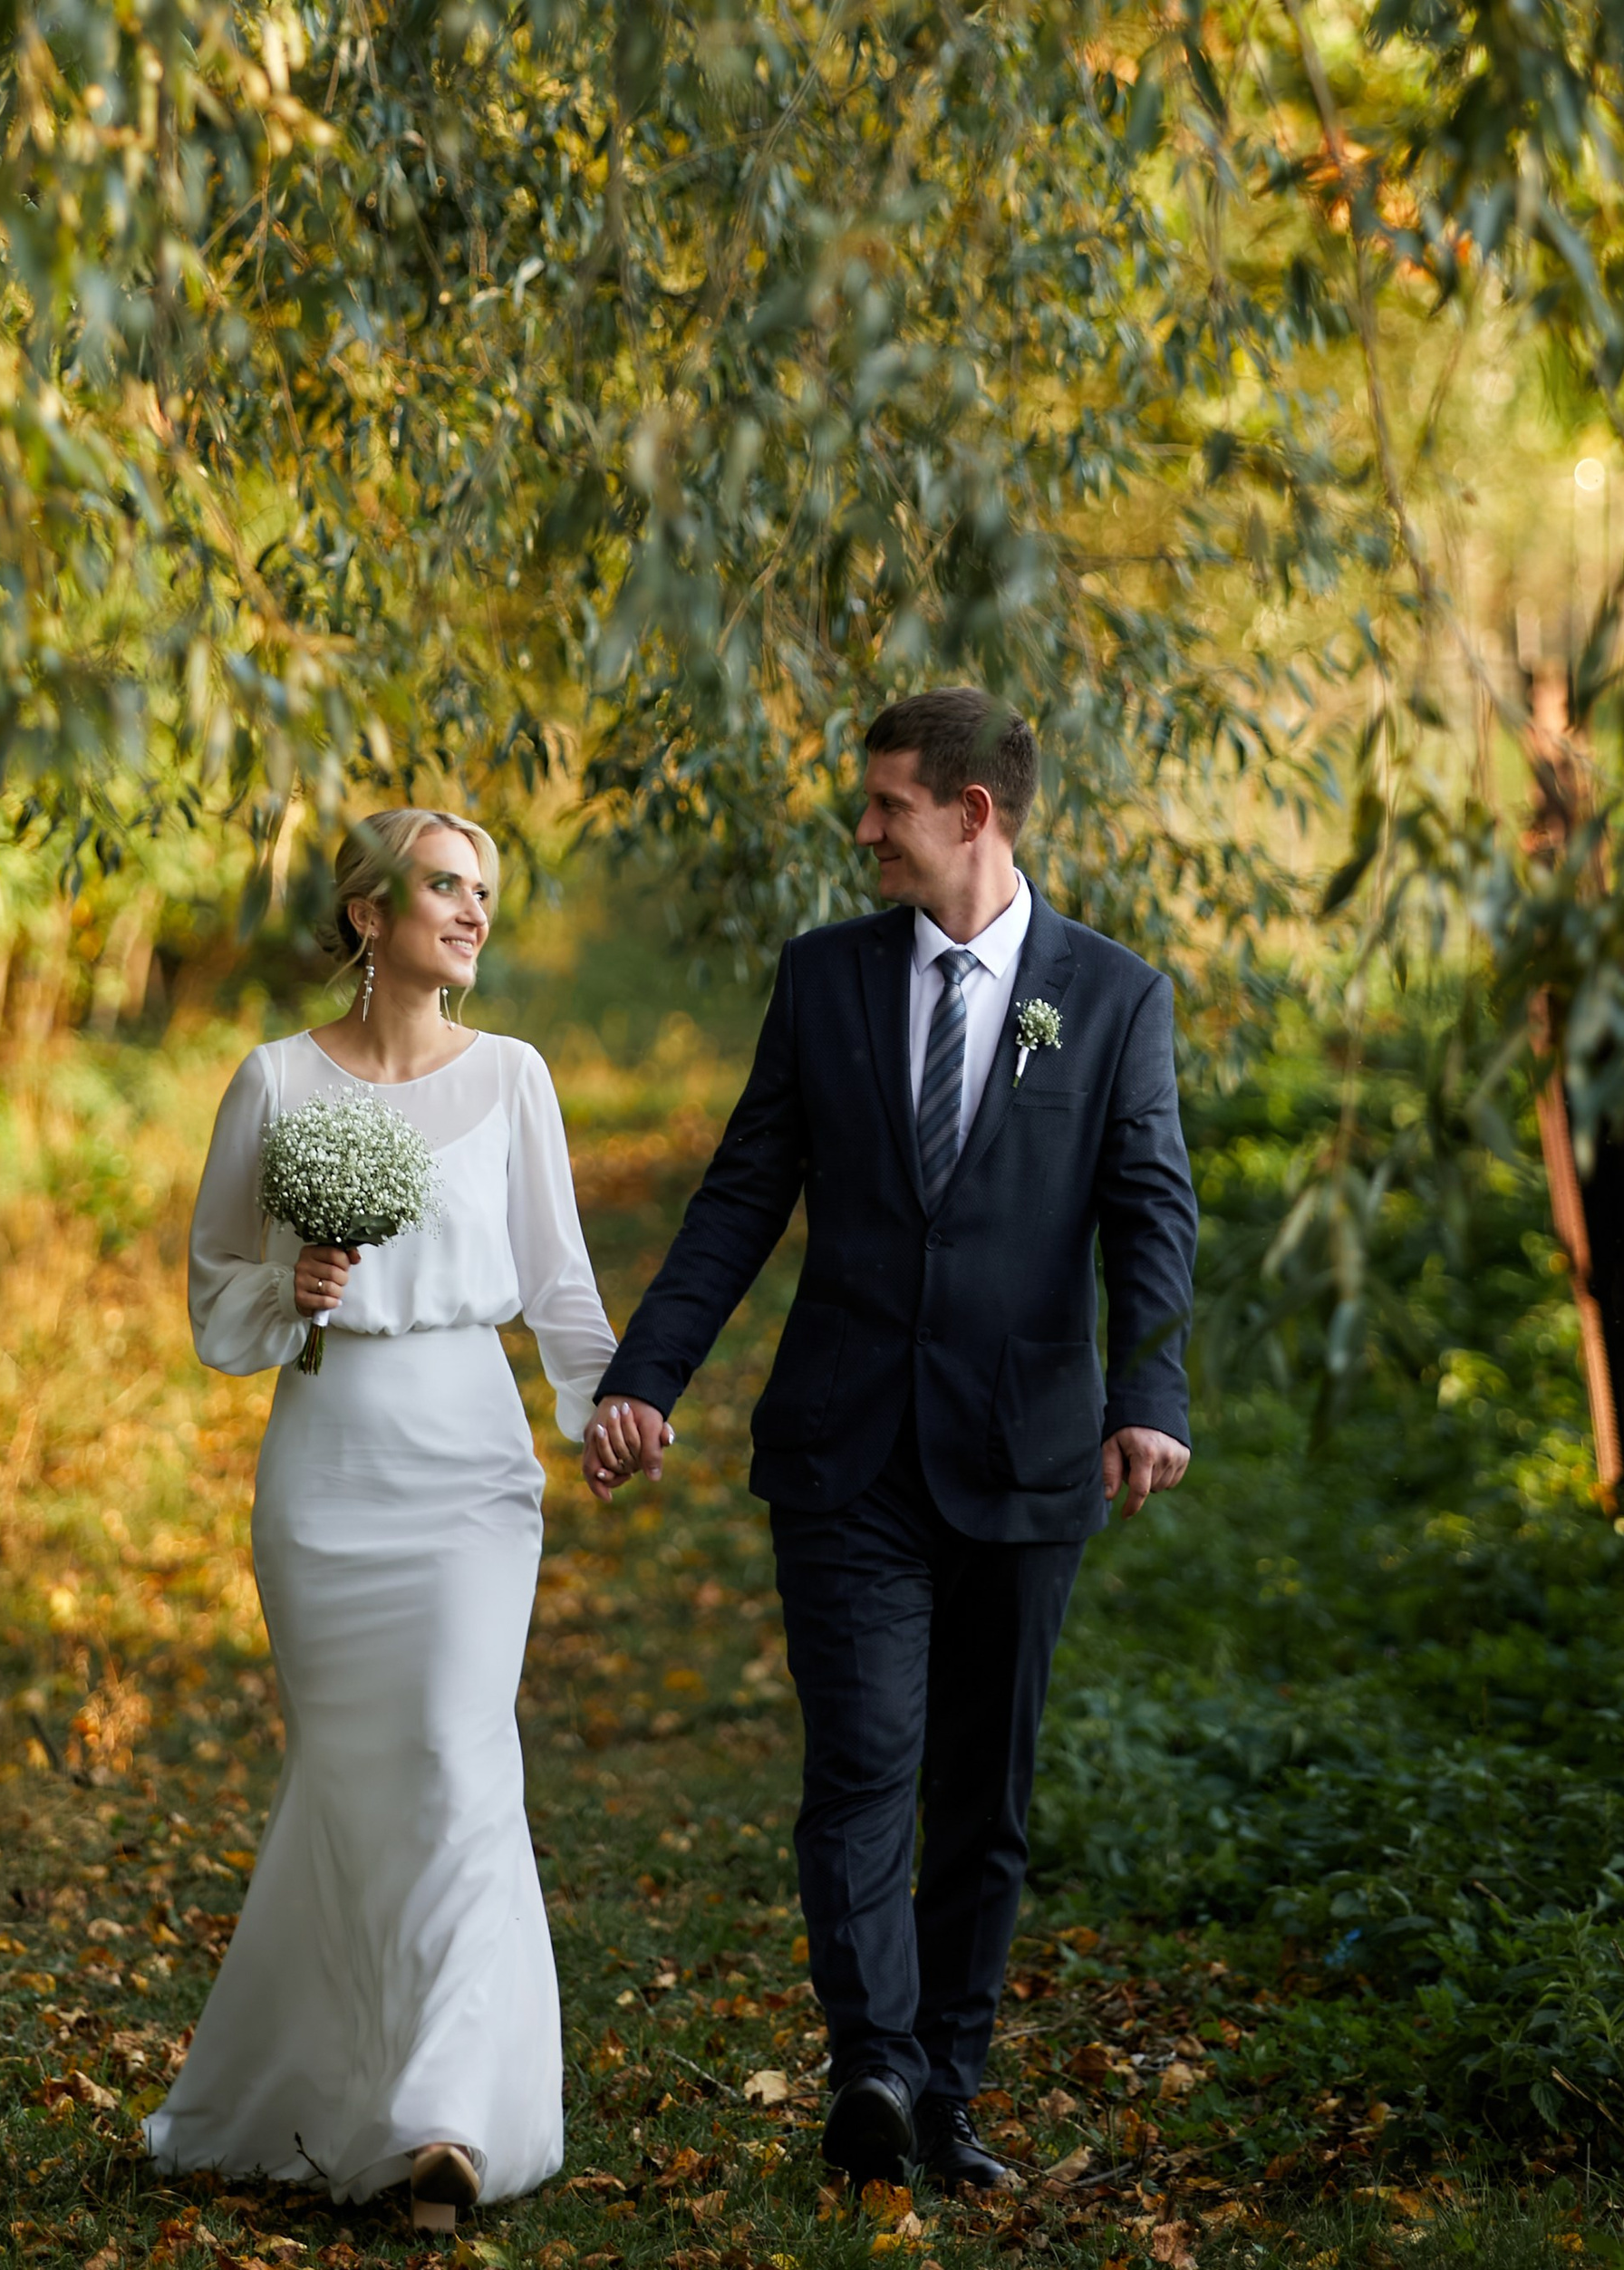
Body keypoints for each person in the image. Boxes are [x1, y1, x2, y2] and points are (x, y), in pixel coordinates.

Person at [584, 691, 1195, 2198]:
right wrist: (645, 1373)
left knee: (982, 1799)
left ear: (974, 813)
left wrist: (1149, 1392)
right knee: (861, 1768)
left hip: (1025, 1451)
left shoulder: (1111, 996)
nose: (862, 829)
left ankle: (951, 2086)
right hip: (844, 1446)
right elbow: (742, 1195)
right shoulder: (824, 980)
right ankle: (872, 2064)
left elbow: (1150, 1207)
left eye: (888, 804)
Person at [144, 807, 617, 2236]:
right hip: (327, 1470)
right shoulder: (276, 1081)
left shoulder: (519, 1077)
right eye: (444, 885)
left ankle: (451, 2118)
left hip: (471, 1467)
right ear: (368, 912)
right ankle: (327, 2087)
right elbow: (215, 1273)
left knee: (458, 1759)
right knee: (357, 1780)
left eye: (485, 889)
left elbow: (562, 1285)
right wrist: (289, 1289)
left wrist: (613, 1405)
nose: (473, 911)